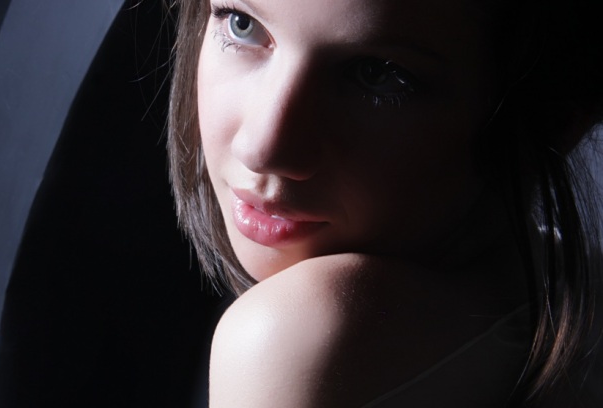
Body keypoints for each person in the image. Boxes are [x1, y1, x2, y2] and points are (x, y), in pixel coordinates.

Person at [165, 0, 603, 406]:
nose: (263, 148)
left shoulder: (295, 335)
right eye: (242, 25)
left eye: (377, 74)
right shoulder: (559, 293)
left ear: (548, 124)